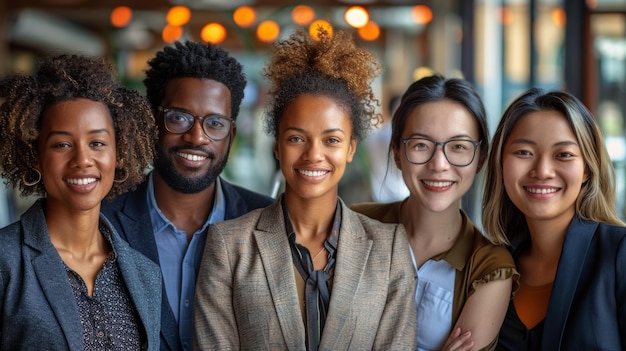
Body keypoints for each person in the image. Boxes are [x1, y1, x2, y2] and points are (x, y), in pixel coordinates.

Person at [193, 29, 417, 350]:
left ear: (351, 148)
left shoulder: (389, 249)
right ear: (277, 147)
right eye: (297, 138)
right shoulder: (230, 247)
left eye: (332, 140)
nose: (314, 154)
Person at [101, 40, 274, 351]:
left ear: (230, 135)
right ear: (152, 122)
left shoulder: (266, 222)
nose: (196, 136)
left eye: (215, 123)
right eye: (178, 117)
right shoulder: (104, 220)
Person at [0, 54, 161, 349]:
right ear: (35, 155)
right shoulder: (6, 263)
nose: (83, 160)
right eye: (62, 144)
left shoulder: (145, 274)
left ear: (119, 153)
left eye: (97, 143)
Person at [352, 75, 519, 351]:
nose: (439, 164)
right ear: (396, 152)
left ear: (480, 159)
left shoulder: (490, 268)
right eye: (421, 145)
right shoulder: (355, 224)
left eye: (458, 147)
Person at [482, 88, 626, 350]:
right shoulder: (488, 266)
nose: (542, 171)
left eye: (564, 155)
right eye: (524, 152)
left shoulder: (620, 253)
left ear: (586, 169)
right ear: (500, 163)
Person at [363, 93, 410, 202]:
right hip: (398, 199)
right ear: (395, 110)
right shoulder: (394, 137)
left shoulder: (372, 138)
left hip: (378, 199)